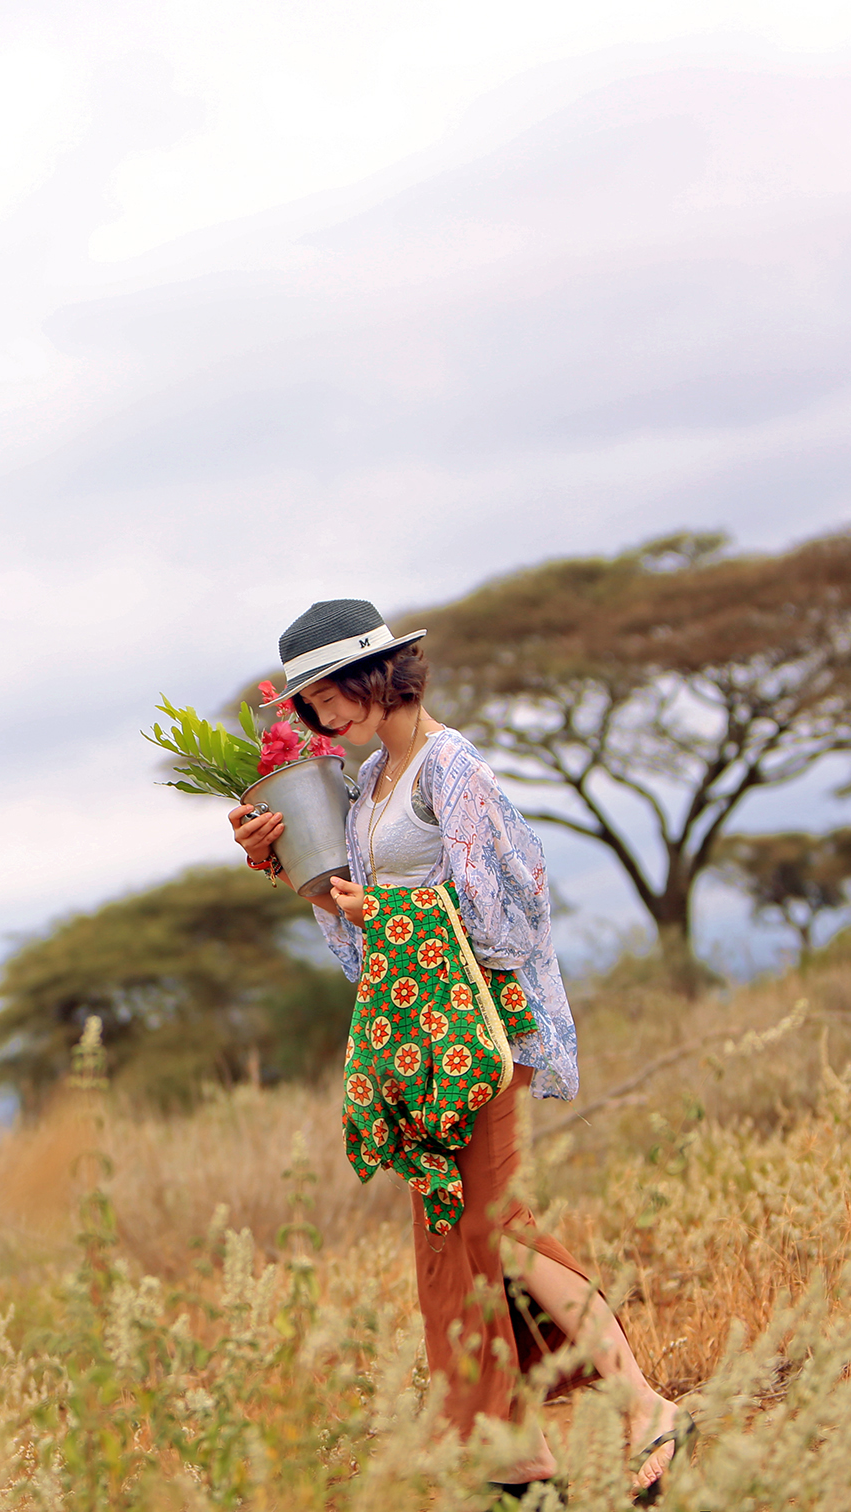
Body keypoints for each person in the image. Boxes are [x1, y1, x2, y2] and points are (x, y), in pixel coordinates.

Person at [228, 599, 693, 1504]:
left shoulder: (452, 767)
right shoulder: (367, 786)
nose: (320, 719)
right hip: (421, 1041)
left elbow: (506, 918)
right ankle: (516, 1458)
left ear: (377, 677)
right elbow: (364, 950)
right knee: (454, 1237)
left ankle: (643, 1406)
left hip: (483, 1027)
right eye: (309, 707)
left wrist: (384, 908)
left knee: (492, 1229)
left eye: (327, 696)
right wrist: (293, 870)